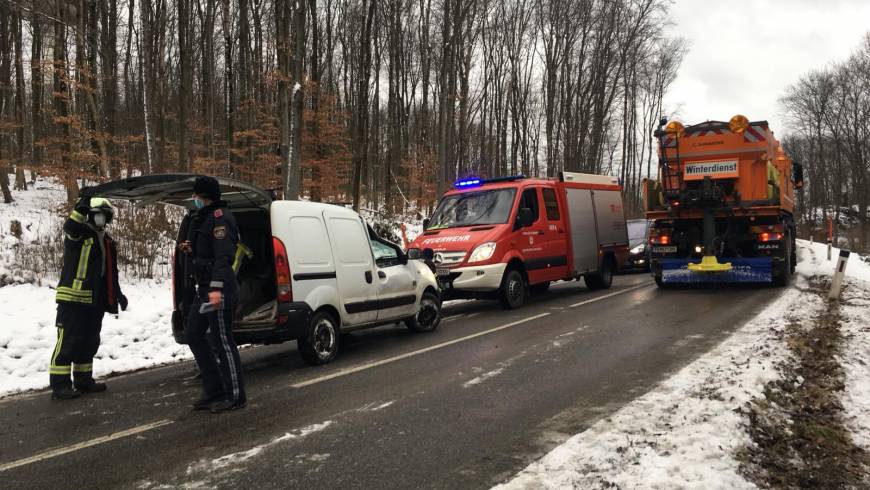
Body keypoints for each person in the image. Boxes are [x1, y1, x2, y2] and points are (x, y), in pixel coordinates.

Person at [50, 196, 127, 400]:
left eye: (105, 215)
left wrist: (118, 294)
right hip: (74, 299)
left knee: (89, 341)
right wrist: (80, 207)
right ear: (91, 215)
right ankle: (60, 386)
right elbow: (70, 227)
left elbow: (111, 271)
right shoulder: (79, 234)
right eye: (99, 214)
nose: (103, 219)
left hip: (95, 300)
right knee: (68, 342)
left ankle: (84, 381)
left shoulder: (107, 240)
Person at [184, 176, 247, 413]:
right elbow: (207, 254)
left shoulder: (221, 219)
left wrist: (217, 288)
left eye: (196, 196)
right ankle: (215, 389)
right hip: (205, 289)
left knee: (222, 340)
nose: (194, 199)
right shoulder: (205, 217)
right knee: (193, 334)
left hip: (218, 289)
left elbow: (224, 257)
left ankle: (236, 395)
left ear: (205, 196)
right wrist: (191, 252)